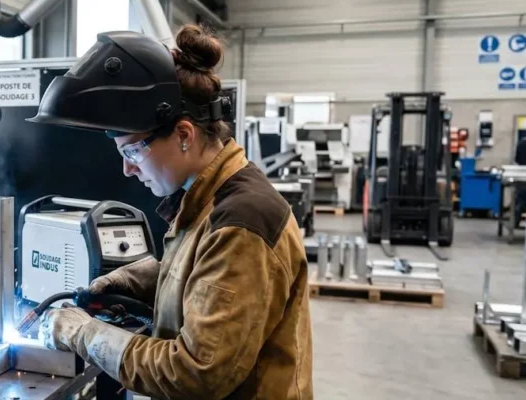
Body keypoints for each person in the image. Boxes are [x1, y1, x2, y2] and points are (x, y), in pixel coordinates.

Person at [27, 26, 313, 399]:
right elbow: (214, 281)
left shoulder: (243, 221)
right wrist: (152, 279)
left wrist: (83, 333)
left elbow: (195, 372)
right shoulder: (210, 198)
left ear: (183, 134)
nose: (127, 170)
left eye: (132, 152)